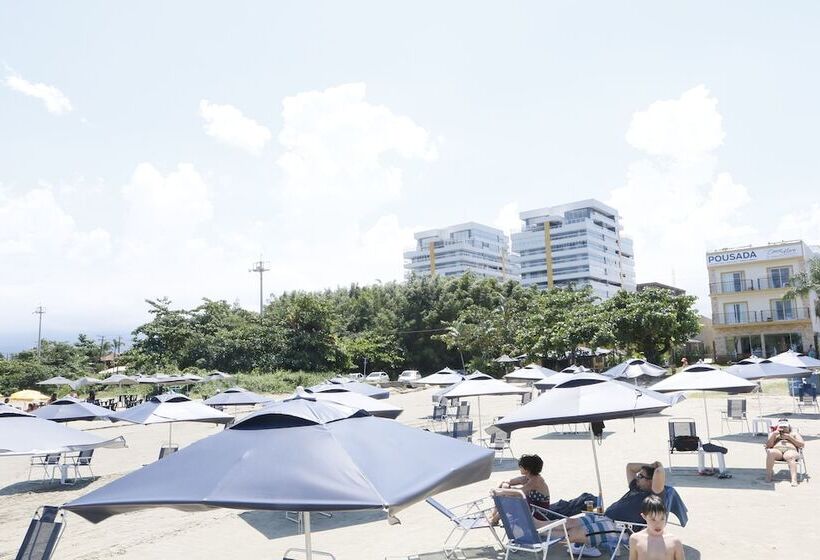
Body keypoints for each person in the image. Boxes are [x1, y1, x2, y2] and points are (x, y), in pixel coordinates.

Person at [562, 461, 666, 557]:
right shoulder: (636, 487)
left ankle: (556, 538)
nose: (637, 477)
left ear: (651, 481)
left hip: (619, 528)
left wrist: (658, 465)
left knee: (573, 533)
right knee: (569, 523)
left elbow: (659, 472)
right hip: (605, 518)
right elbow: (629, 467)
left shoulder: (654, 496)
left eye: (641, 476)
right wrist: (649, 465)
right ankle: (555, 534)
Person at [490, 454, 550, 524]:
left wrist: (500, 492)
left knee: (511, 498)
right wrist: (501, 488)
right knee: (507, 493)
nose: (519, 468)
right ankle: (494, 516)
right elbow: (506, 481)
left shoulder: (536, 480)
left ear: (527, 469)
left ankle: (495, 519)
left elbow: (519, 492)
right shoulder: (527, 477)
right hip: (531, 507)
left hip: (538, 513)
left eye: (521, 467)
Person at [628, 495, 684, 560]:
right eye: (653, 519)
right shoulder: (635, 539)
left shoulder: (675, 541)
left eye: (662, 519)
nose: (658, 524)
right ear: (644, 516)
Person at [765, 419, 805, 486]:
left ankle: (794, 479)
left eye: (785, 427)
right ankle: (768, 476)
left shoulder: (794, 434)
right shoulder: (774, 434)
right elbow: (768, 445)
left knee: (790, 456)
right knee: (770, 452)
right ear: (778, 427)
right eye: (781, 427)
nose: (783, 428)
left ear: (789, 427)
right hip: (777, 451)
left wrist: (789, 438)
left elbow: (802, 445)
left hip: (790, 450)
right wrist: (774, 435)